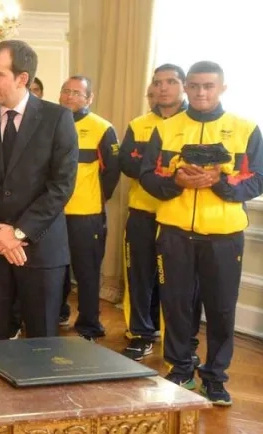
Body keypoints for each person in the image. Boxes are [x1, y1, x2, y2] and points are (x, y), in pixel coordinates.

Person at [140, 61, 263, 406]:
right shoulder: (166, 128)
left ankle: (215, 378)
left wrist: (220, 183)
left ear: (222, 87)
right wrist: (175, 182)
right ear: (185, 88)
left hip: (224, 236)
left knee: (222, 309)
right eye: (194, 86)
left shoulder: (245, 128)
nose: (200, 92)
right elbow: (147, 175)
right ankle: (180, 369)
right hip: (174, 232)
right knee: (176, 306)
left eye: (208, 86)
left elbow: (258, 179)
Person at [0, 39, 78, 341]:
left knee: (41, 341)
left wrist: (19, 232)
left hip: (40, 249)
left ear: (22, 78)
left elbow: (61, 186)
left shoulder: (57, 119)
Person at [119, 64, 189, 360]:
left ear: (183, 86)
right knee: (140, 276)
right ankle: (141, 334)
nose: (163, 88)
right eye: (158, 82)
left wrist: (152, 169)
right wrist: (168, 172)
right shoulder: (139, 125)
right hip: (143, 212)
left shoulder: (195, 124)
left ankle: (181, 342)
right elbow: (128, 164)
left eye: (171, 82)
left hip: (180, 216)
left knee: (179, 283)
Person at [59, 75, 120, 341]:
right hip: (53, 215)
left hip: (87, 215)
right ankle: (54, 314)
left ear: (89, 98)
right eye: (66, 91)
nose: (70, 96)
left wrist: (96, 197)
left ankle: (88, 323)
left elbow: (112, 171)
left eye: (77, 92)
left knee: (86, 271)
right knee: (55, 270)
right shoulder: (50, 124)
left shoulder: (102, 128)